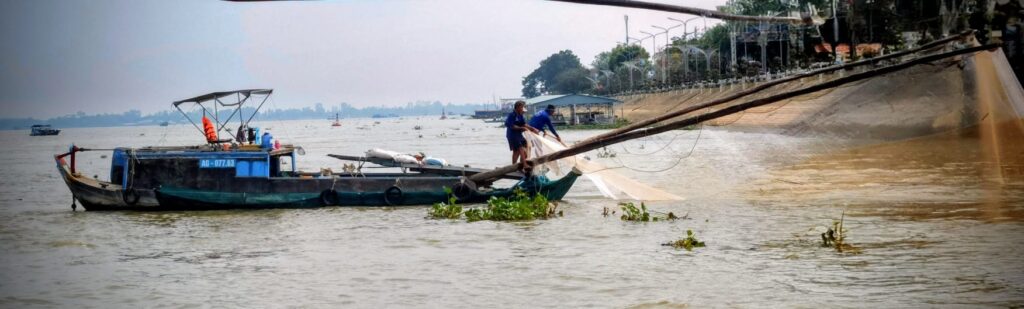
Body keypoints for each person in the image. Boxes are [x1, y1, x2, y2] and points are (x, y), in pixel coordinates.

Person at [505, 100, 538, 170]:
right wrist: (521, 128)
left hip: (518, 134)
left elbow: (524, 124)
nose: (523, 109)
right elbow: (511, 126)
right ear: (517, 107)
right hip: (512, 134)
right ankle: (522, 165)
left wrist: (533, 128)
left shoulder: (520, 115)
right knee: (519, 149)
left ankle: (521, 164)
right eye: (522, 107)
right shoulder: (512, 115)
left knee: (526, 145)